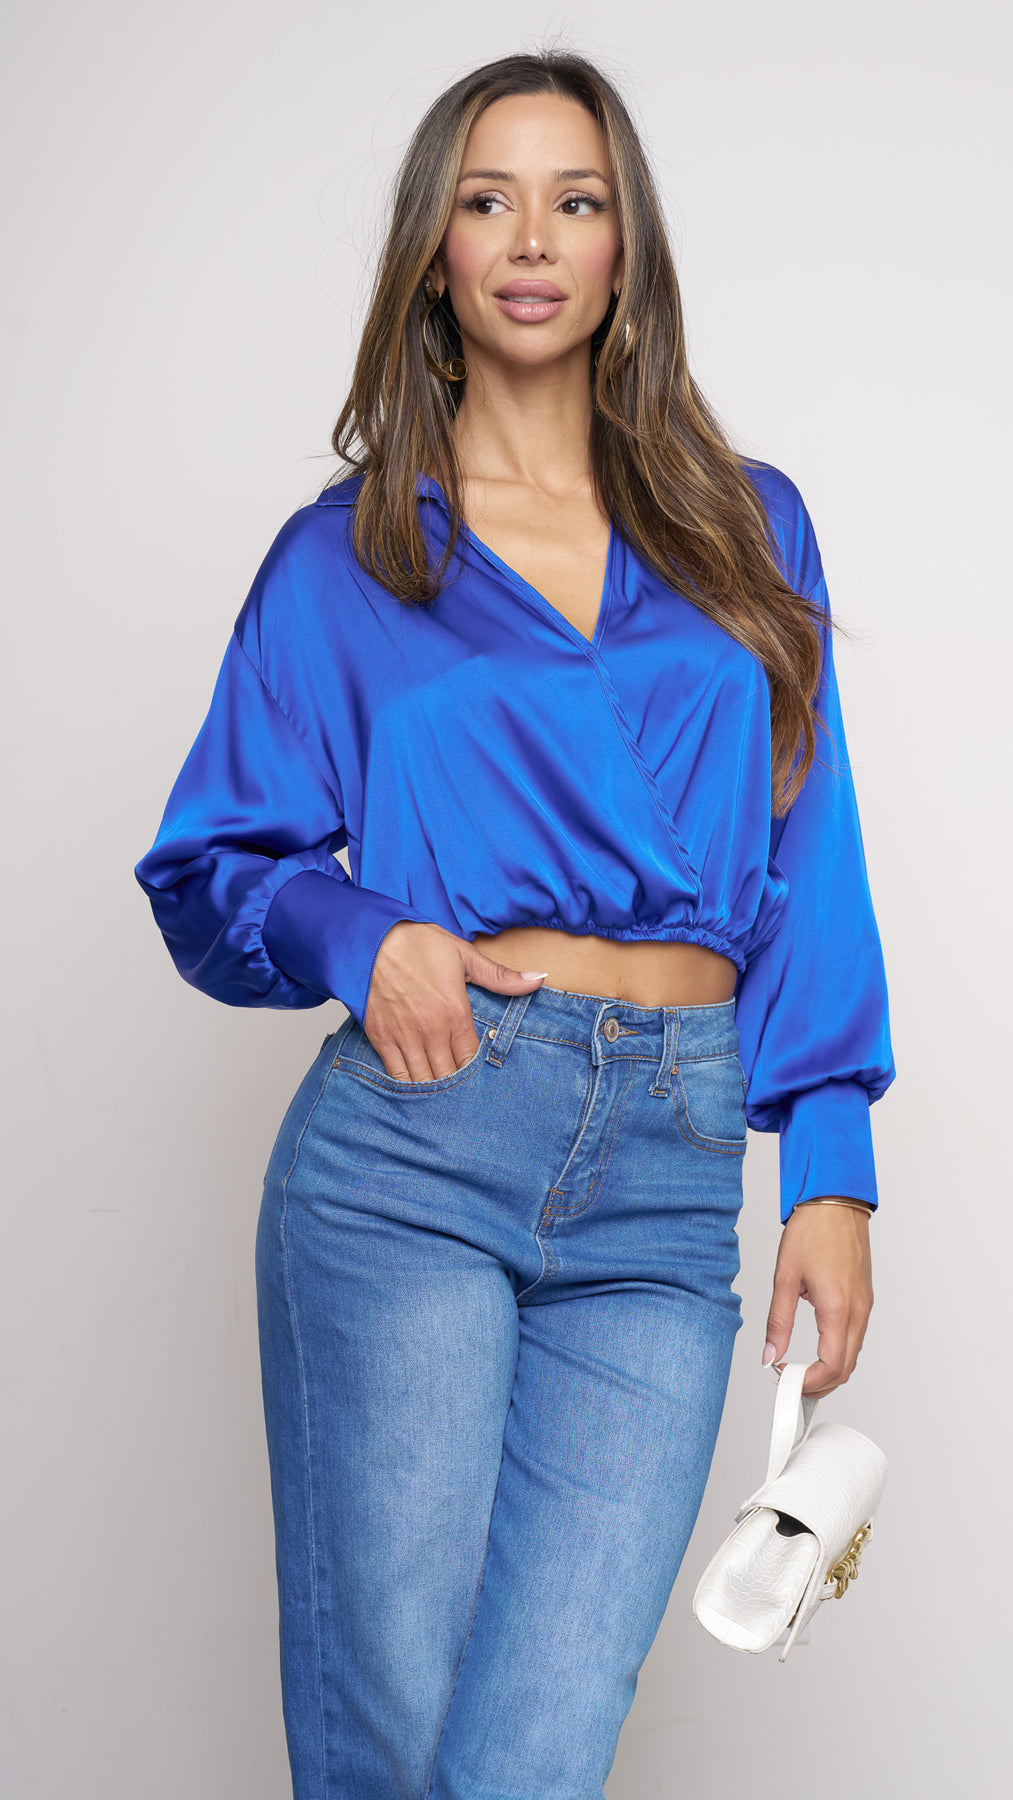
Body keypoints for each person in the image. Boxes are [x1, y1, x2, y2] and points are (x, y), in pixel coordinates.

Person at [134, 49, 895, 1800]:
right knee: (393, 1735)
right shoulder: (342, 558)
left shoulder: (746, 525)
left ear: (626, 250)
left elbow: (813, 848)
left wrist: (831, 1168)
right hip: (418, 1146)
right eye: (488, 200)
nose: (532, 239)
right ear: (436, 250)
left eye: (576, 200)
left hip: (672, 1168)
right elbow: (209, 864)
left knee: (537, 1748)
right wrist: (357, 936)